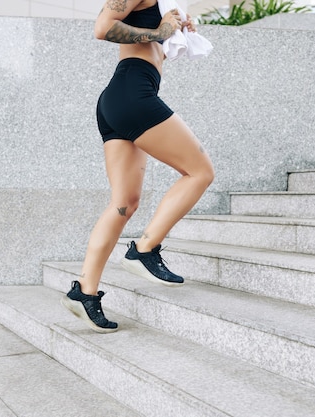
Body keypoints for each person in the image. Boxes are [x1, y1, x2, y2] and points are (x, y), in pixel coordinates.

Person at [61, 0, 215, 333]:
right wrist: (159, 31)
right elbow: (102, 28)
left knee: (123, 202)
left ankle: (84, 292)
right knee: (200, 172)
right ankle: (144, 250)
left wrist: (174, 29)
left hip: (121, 97)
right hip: (133, 93)